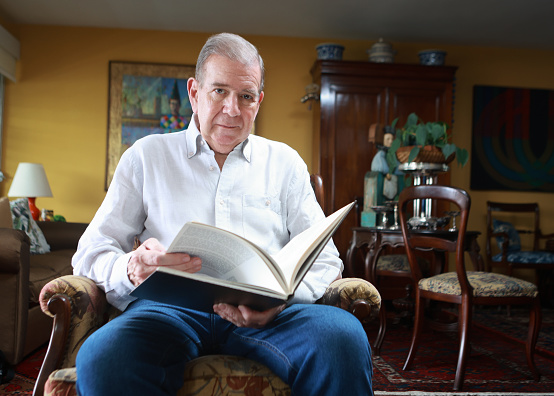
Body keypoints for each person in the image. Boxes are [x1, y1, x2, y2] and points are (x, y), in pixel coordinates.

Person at [72, 32, 373, 395]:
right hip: (167, 310)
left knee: (343, 337)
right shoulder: (145, 156)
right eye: (219, 91)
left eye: (245, 96)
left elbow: (325, 260)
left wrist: (281, 302)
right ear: (194, 93)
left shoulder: (285, 163)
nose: (233, 109)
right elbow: (91, 252)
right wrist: (131, 268)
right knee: (105, 357)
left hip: (270, 316)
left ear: (258, 102)